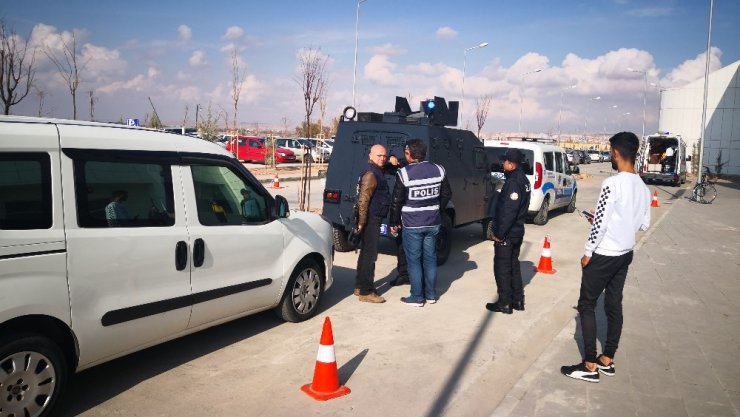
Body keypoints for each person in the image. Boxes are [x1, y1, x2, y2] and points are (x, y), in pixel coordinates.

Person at [561, 131, 651, 383]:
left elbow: (600, 223)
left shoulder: (612, 184)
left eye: (611, 151)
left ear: (616, 153)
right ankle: (607, 358)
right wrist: (615, 223)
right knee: (614, 305)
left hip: (604, 253)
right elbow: (643, 224)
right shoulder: (643, 188)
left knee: (586, 305)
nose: (611, 155)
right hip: (625, 253)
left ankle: (589, 364)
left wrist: (588, 251)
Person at [389, 139, 452, 307]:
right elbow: (447, 194)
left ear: (409, 154)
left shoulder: (404, 173)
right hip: (433, 222)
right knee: (430, 258)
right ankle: (431, 295)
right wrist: (436, 209)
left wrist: (394, 222)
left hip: (412, 224)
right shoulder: (439, 169)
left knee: (414, 260)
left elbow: (396, 201)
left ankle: (417, 297)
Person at [485, 149, 531, 314]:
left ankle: (505, 303)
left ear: (512, 164)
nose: (502, 164)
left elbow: (508, 212)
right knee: (513, 266)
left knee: (502, 268)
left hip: (509, 233)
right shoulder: (523, 180)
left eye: (505, 161)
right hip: (517, 231)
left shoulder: (513, 183)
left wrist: (499, 234)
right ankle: (517, 300)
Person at [353, 144, 391, 303]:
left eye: (384, 156)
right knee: (370, 255)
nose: (382, 159)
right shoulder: (371, 173)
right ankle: (366, 292)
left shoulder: (376, 169)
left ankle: (360, 286)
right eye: (379, 156)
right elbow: (363, 200)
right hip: (371, 219)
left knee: (365, 254)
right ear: (370, 155)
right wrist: (362, 221)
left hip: (372, 218)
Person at [387, 154, 409, 287]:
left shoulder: (424, 169)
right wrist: (391, 158)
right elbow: (388, 166)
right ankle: (403, 275)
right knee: (401, 246)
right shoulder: (403, 165)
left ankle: (418, 279)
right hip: (402, 215)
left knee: (418, 249)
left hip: (415, 217)